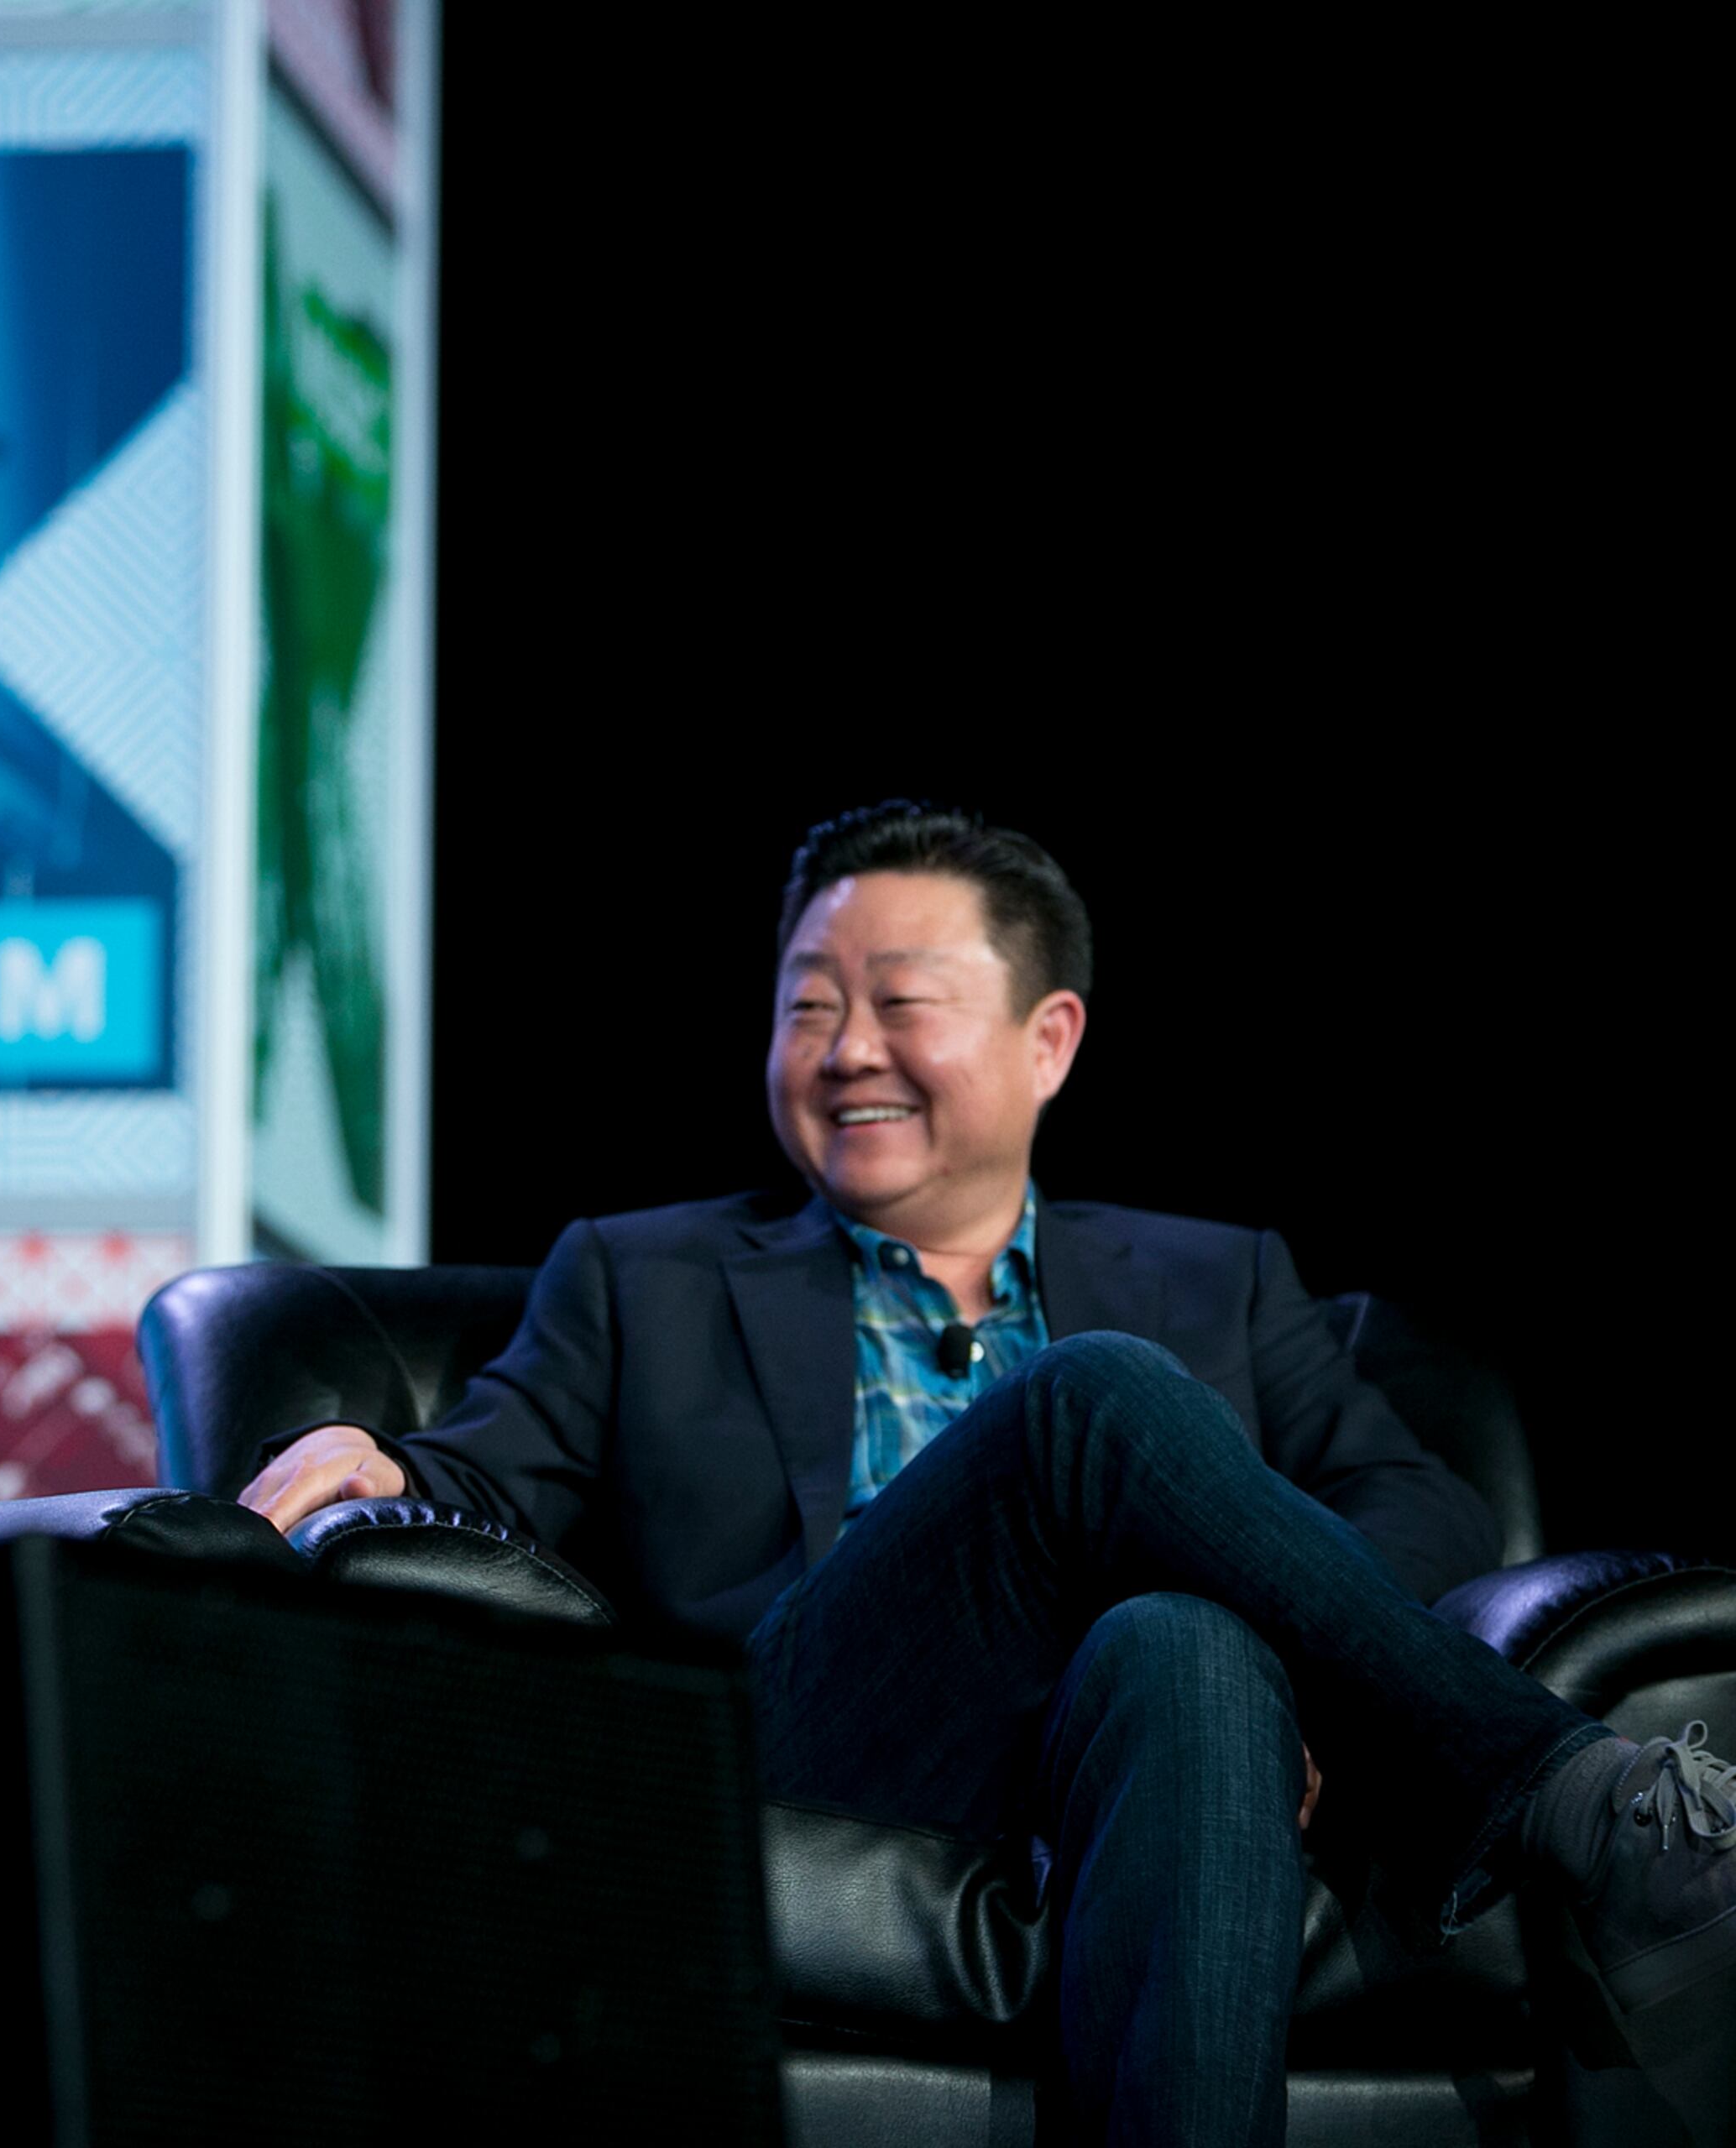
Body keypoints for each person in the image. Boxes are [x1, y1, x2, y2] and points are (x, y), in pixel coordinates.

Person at [238, 802, 1731, 2143]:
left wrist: (1317, 1662)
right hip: (820, 1748)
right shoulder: (645, 1278)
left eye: (899, 1004)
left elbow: (1423, 1509)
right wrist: (390, 1460)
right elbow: (492, 1476)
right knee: (1088, 1400)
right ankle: (1584, 1803)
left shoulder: (1225, 1281)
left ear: (1050, 1039)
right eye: (808, 1005)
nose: (844, 1052)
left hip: (1149, 1753)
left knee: (1187, 1644)